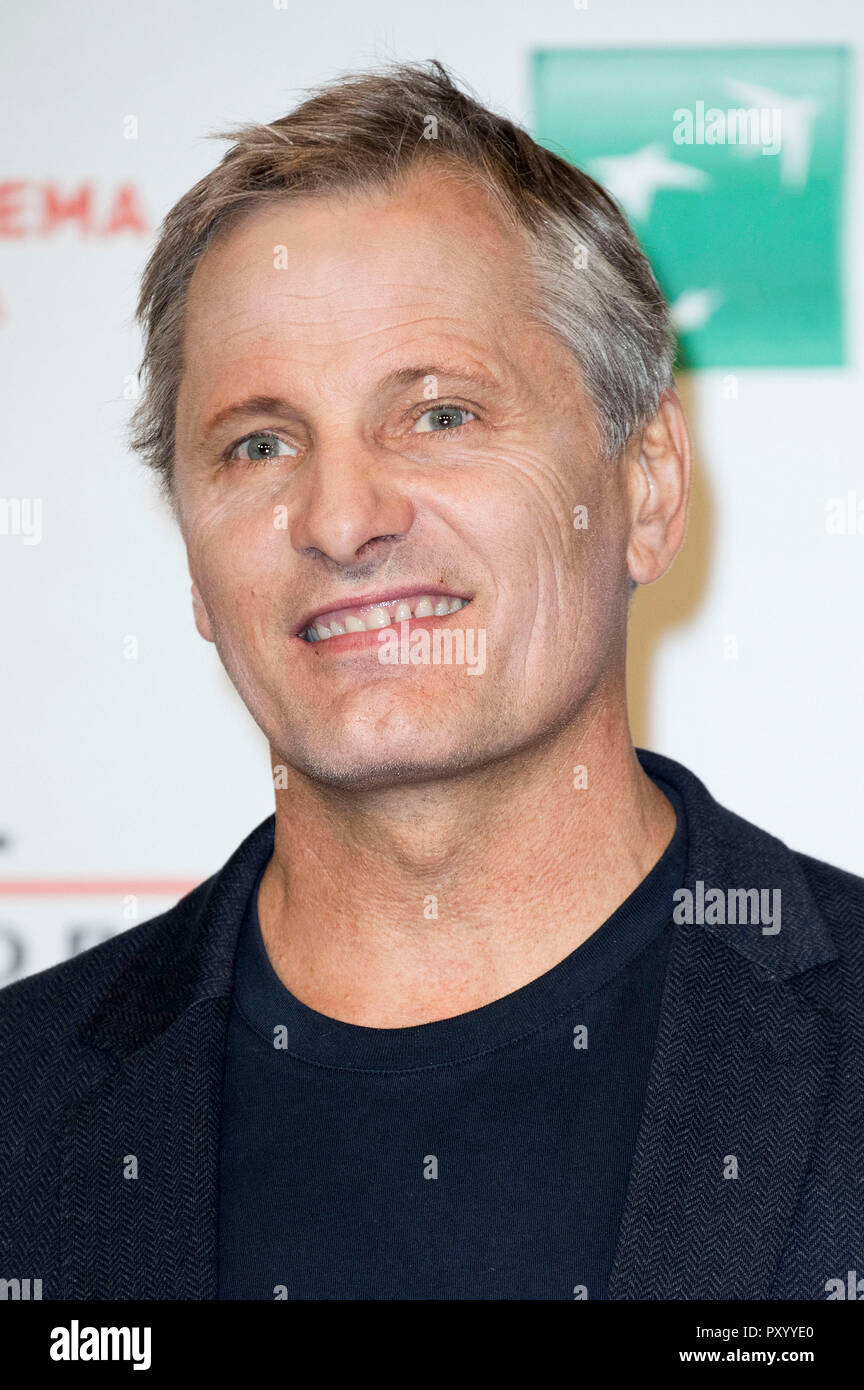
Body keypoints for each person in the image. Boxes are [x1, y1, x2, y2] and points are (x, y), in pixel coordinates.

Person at [1, 60, 861, 1302]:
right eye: (260, 442)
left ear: (648, 487)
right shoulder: (23, 1109)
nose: (343, 519)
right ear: (192, 551)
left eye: (441, 415)